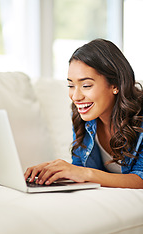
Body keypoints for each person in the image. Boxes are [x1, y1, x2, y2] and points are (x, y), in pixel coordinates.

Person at [24, 39, 143, 189]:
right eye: (71, 85)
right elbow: (79, 166)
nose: (75, 96)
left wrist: (85, 173)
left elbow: (141, 178)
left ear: (115, 85)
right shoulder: (84, 117)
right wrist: (57, 171)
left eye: (86, 85)